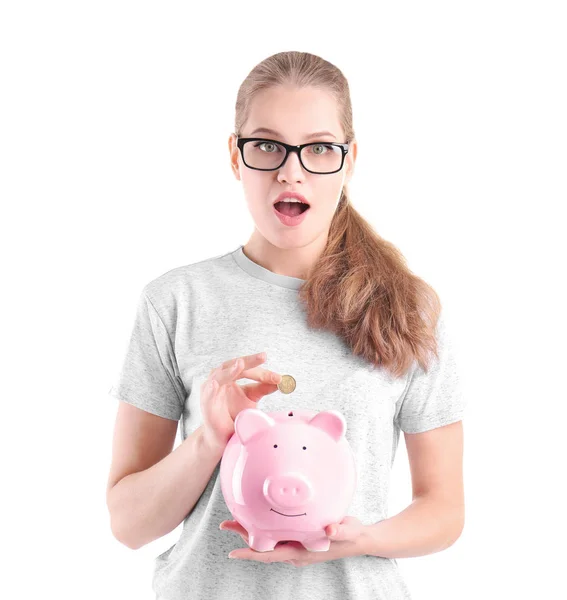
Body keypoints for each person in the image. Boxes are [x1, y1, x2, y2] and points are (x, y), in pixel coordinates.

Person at [106, 50, 467, 600]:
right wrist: (209, 440)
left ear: (349, 159)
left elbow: (444, 510)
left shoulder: (409, 308)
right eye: (268, 145)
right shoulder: (174, 302)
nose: (290, 170)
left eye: (319, 147)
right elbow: (128, 525)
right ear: (235, 155)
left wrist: (363, 537)